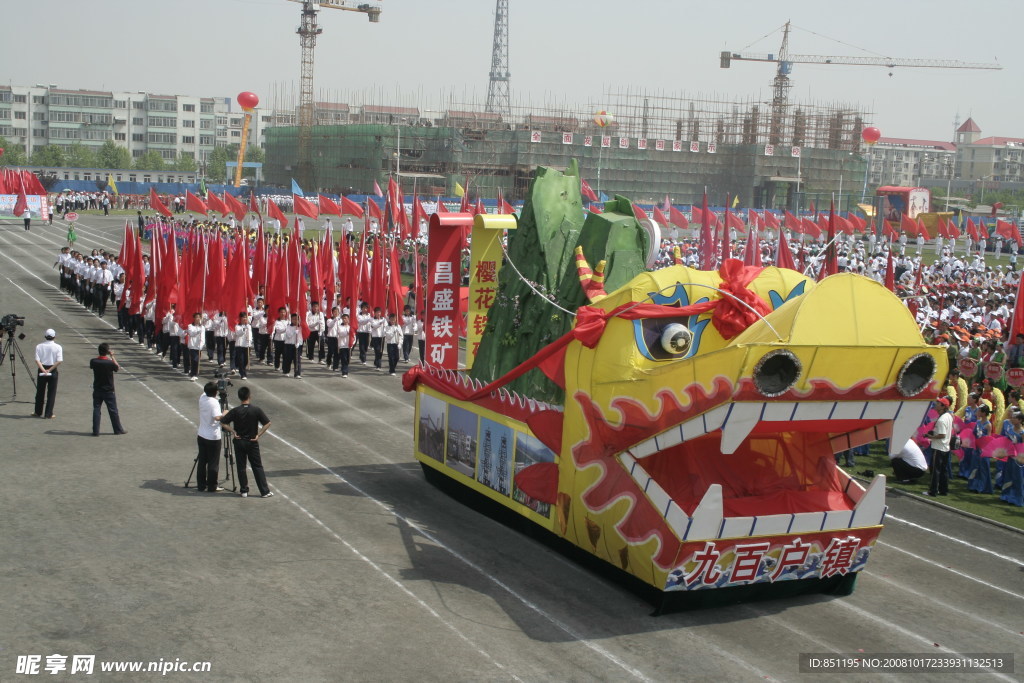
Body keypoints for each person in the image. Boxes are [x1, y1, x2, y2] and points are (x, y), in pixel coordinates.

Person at [219, 386, 273, 498]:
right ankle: (264, 491)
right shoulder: (256, 410)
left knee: (241, 466)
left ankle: (244, 490)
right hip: (252, 441)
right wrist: (258, 434)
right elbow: (267, 423)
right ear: (249, 396)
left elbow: (223, 423)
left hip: (239, 441)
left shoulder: (236, 410)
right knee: (257, 466)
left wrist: (233, 431)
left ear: (239, 397)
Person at [90, 343, 126, 436]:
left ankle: (95, 431)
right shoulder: (109, 363)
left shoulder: (94, 361)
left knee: (96, 409)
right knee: (113, 410)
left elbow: (92, 365)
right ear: (107, 352)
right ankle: (117, 429)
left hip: (97, 389)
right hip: (108, 390)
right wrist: (112, 356)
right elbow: (117, 367)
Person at [195, 382, 224, 493]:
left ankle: (201, 485)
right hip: (213, 437)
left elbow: (207, 390)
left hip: (201, 434)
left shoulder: (202, 398)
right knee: (213, 462)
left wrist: (218, 381)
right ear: (215, 392)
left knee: (202, 461)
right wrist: (225, 413)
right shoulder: (214, 403)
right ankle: (212, 486)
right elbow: (217, 417)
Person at [924, 397, 953, 496]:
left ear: (942, 406)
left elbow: (942, 435)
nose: (936, 405)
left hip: (938, 447)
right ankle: (943, 490)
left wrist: (931, 436)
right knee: (943, 470)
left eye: (938, 403)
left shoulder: (941, 420)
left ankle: (933, 491)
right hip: (946, 447)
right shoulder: (948, 416)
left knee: (935, 470)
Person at [33, 328, 62, 419]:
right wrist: (49, 370)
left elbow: (37, 360)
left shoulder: (39, 346)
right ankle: (48, 413)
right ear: (54, 337)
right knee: (51, 393)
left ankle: (38, 411)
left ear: (45, 336)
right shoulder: (58, 347)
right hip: (52, 370)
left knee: (40, 391)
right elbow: (59, 360)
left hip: (42, 369)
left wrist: (43, 370)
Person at [282, 312, 303, 378]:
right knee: (288, 359)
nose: (295, 321)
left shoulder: (300, 327)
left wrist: (299, 343)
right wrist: (294, 331)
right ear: (291, 320)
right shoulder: (288, 327)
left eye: (296, 319)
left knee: (297, 360)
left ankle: (297, 373)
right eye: (293, 319)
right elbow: (288, 335)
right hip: (289, 344)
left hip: (297, 345)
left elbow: (301, 336)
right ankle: (286, 371)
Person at [186, 312, 205, 381]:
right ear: (194, 318)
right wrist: (198, 331)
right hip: (192, 346)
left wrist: (201, 345)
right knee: (194, 359)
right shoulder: (190, 326)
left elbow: (203, 338)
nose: (197, 319)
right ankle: (194, 374)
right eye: (196, 317)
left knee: (197, 360)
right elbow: (191, 334)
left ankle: (194, 373)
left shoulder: (202, 327)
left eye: (199, 317)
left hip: (198, 346)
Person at [233, 311, 252, 380]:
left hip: (246, 345)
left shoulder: (249, 326)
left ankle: (242, 369)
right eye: (243, 317)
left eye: (245, 317)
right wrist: (244, 328)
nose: (245, 319)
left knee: (246, 360)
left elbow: (250, 335)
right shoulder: (237, 326)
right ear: (240, 318)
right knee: (241, 360)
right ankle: (243, 374)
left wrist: (249, 342)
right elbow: (239, 334)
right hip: (239, 345)